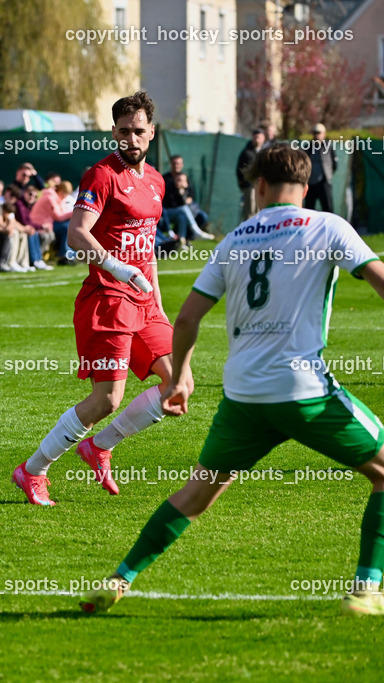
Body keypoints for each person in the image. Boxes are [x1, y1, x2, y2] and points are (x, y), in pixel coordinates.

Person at [79, 143, 384, 616]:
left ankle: (120, 579)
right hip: (303, 391)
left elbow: (186, 320)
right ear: (306, 187)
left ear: (258, 186)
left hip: (243, 396)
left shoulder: (235, 239)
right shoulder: (329, 227)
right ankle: (367, 591)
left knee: (197, 493)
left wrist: (179, 378)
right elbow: (379, 278)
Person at [12, 91, 180, 505]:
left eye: (139, 131)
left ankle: (99, 446)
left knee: (180, 384)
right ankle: (32, 470)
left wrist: (158, 302)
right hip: (108, 297)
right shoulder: (101, 175)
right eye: (124, 131)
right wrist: (119, 268)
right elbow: (76, 234)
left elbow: (149, 246)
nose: (132, 139)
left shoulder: (157, 180)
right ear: (113, 132)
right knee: (107, 398)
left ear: (151, 133)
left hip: (144, 302)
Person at [161, 156, 214, 241]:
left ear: (182, 165)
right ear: (171, 164)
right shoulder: (165, 179)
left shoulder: (184, 177)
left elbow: (191, 196)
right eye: (174, 163)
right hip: (169, 211)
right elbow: (167, 200)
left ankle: (182, 240)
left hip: (186, 210)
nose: (176, 165)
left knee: (200, 216)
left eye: (178, 163)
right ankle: (196, 231)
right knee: (183, 210)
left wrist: (183, 192)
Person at [304, 123, 336, 213]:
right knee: (309, 209)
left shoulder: (328, 147)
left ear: (324, 134)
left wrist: (328, 175)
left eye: (319, 133)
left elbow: (334, 164)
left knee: (328, 208)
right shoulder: (308, 148)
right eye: (315, 133)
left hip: (324, 182)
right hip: (311, 183)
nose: (317, 135)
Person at [236, 128, 266, 220]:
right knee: (250, 211)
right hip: (250, 186)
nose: (257, 140)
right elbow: (239, 169)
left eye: (259, 137)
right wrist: (243, 183)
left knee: (259, 211)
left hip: (262, 185)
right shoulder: (247, 153)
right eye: (255, 137)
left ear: (263, 138)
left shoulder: (264, 152)